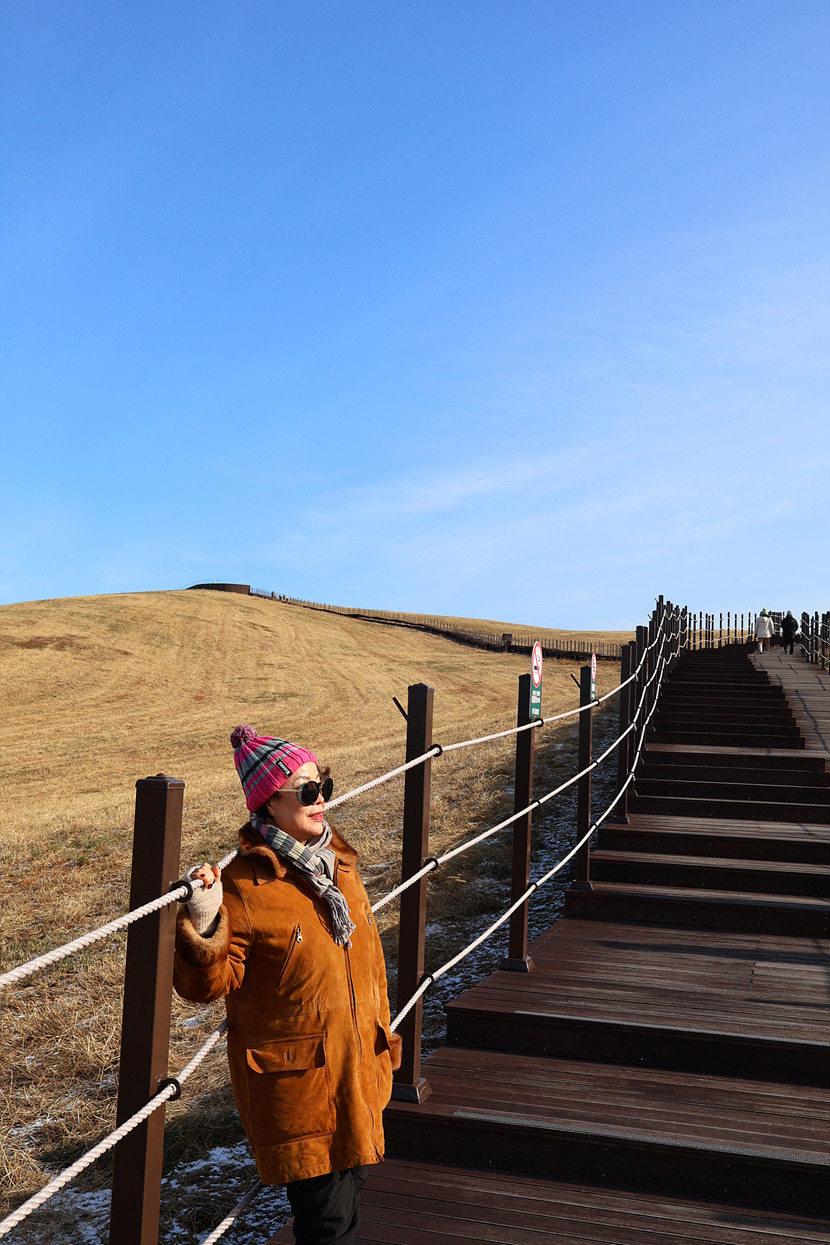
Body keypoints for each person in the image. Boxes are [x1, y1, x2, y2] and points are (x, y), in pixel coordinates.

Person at [174, 725, 401, 1245]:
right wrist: (204, 918)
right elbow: (207, 985)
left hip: (360, 1072)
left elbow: (367, 970)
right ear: (269, 804)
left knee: (350, 1198)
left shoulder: (339, 866)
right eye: (306, 790)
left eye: (323, 784)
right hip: (303, 1092)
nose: (321, 799)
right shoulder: (244, 885)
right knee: (328, 1225)